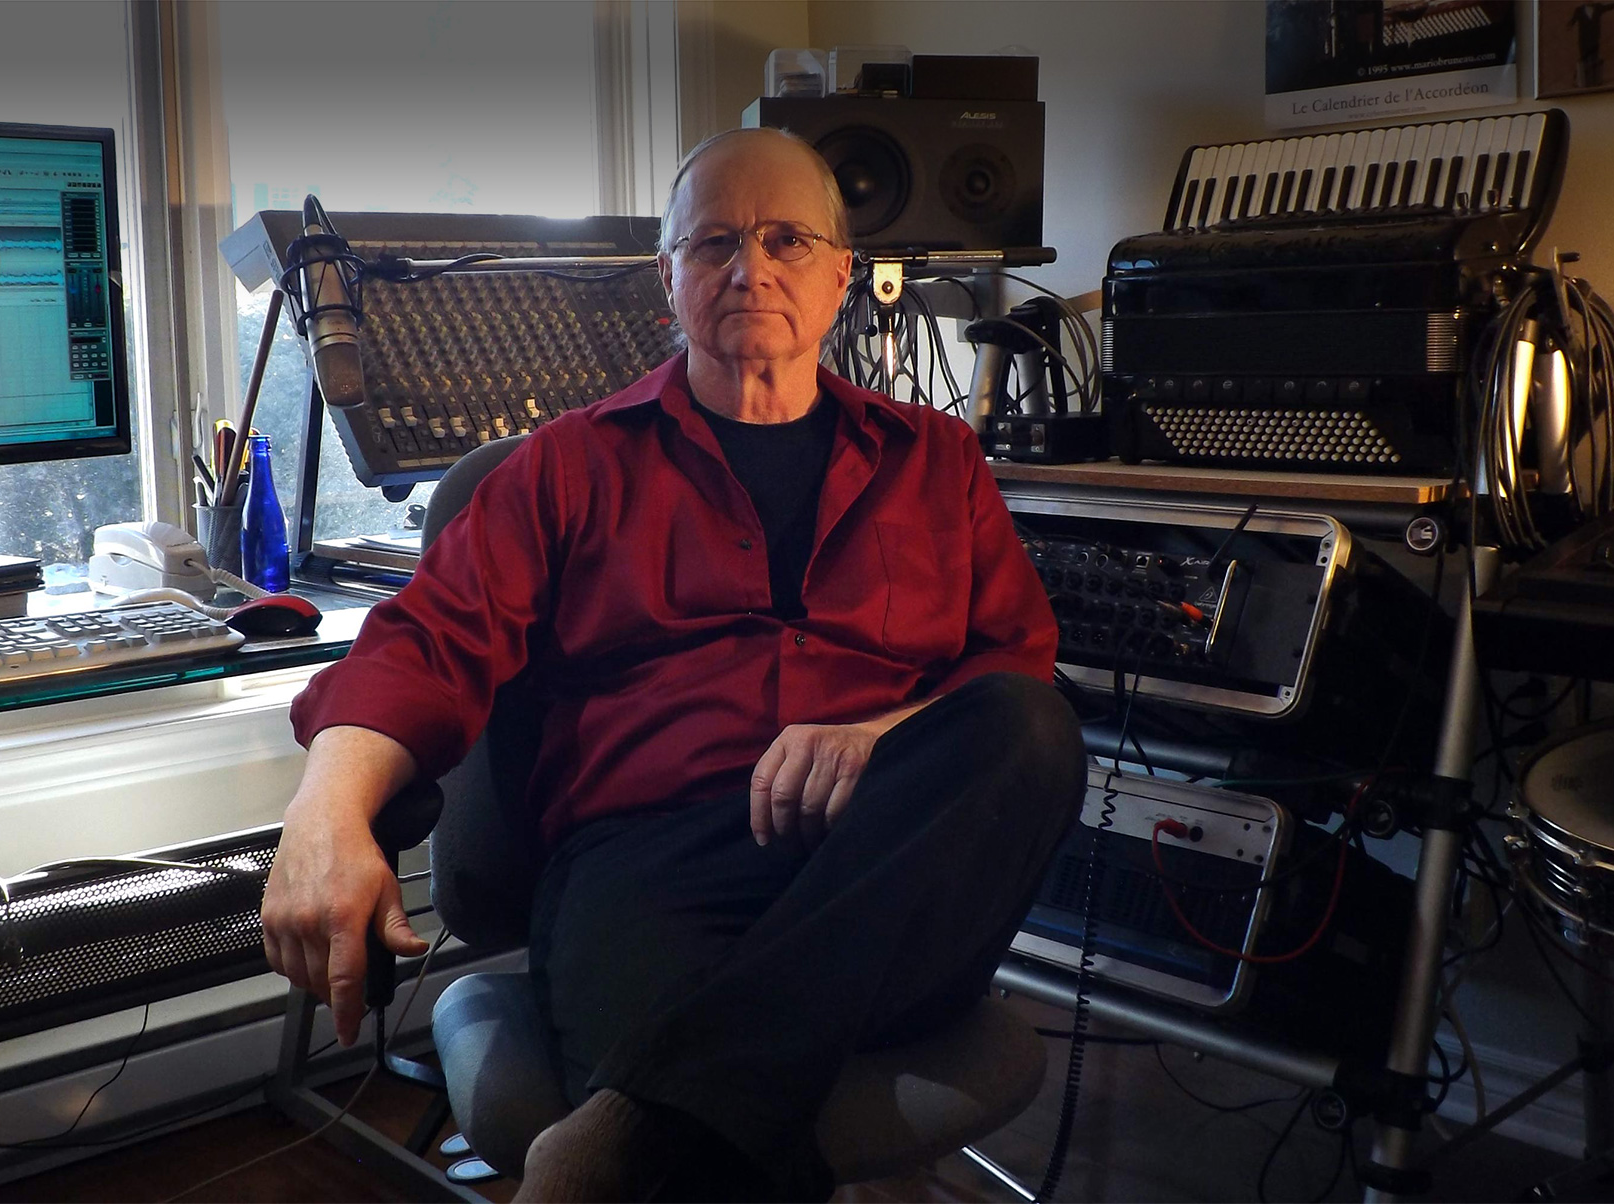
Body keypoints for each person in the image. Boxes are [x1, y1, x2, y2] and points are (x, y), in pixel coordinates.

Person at [260, 127, 1084, 1201]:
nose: (750, 269)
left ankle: (622, 1138)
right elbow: (429, 637)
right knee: (718, 1141)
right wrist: (324, 809)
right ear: (667, 279)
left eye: (786, 240)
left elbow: (1009, 666)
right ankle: (659, 1124)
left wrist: (881, 738)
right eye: (713, 244)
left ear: (840, 275)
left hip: (877, 860)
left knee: (1027, 729)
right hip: (648, 871)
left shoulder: (936, 461)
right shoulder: (566, 467)